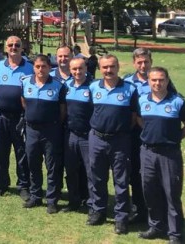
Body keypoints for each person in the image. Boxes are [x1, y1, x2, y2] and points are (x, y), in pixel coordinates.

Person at [136, 67, 185, 244]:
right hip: (147, 152)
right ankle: (156, 226)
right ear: (148, 81)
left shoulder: (177, 101)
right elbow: (139, 119)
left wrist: (173, 139)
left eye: (161, 80)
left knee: (171, 193)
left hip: (169, 154)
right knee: (149, 191)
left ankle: (175, 233)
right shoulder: (142, 100)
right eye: (154, 80)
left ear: (167, 81)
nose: (157, 83)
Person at [86, 54, 139, 235]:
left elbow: (133, 117)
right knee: (97, 177)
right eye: (105, 67)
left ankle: (121, 217)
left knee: (121, 180)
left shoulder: (130, 89)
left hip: (120, 140)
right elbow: (91, 111)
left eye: (112, 66)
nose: (108, 70)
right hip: (97, 139)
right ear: (100, 68)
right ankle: (98, 211)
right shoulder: (93, 87)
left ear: (118, 67)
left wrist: (119, 131)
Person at [0, 36, 33, 198]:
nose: (14, 47)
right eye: (10, 45)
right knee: (1, 151)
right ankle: (2, 184)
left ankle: (23, 186)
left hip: (21, 117)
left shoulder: (30, 67)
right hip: (1, 116)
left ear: (22, 47)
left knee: (22, 152)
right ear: (6, 48)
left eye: (17, 45)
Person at [21, 55, 67, 213]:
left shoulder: (58, 85)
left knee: (52, 166)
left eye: (44, 66)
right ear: (33, 67)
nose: (40, 69)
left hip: (50, 131)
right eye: (37, 66)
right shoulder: (25, 82)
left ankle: (52, 200)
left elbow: (62, 111)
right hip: (31, 130)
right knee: (33, 163)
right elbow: (24, 102)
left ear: (49, 68)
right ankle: (35, 196)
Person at [124, 48, 156, 224]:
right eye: (140, 62)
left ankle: (156, 210)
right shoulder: (127, 81)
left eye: (146, 62)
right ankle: (138, 209)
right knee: (135, 172)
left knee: (153, 174)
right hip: (133, 132)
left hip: (154, 132)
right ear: (134, 63)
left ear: (151, 62)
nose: (143, 65)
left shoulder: (159, 79)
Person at [62, 57, 94, 213]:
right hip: (70, 135)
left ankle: (91, 203)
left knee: (90, 172)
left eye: (80, 68)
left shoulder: (93, 87)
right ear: (70, 70)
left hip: (88, 136)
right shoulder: (66, 86)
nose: (77, 72)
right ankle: (73, 201)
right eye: (74, 69)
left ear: (86, 68)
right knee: (71, 170)